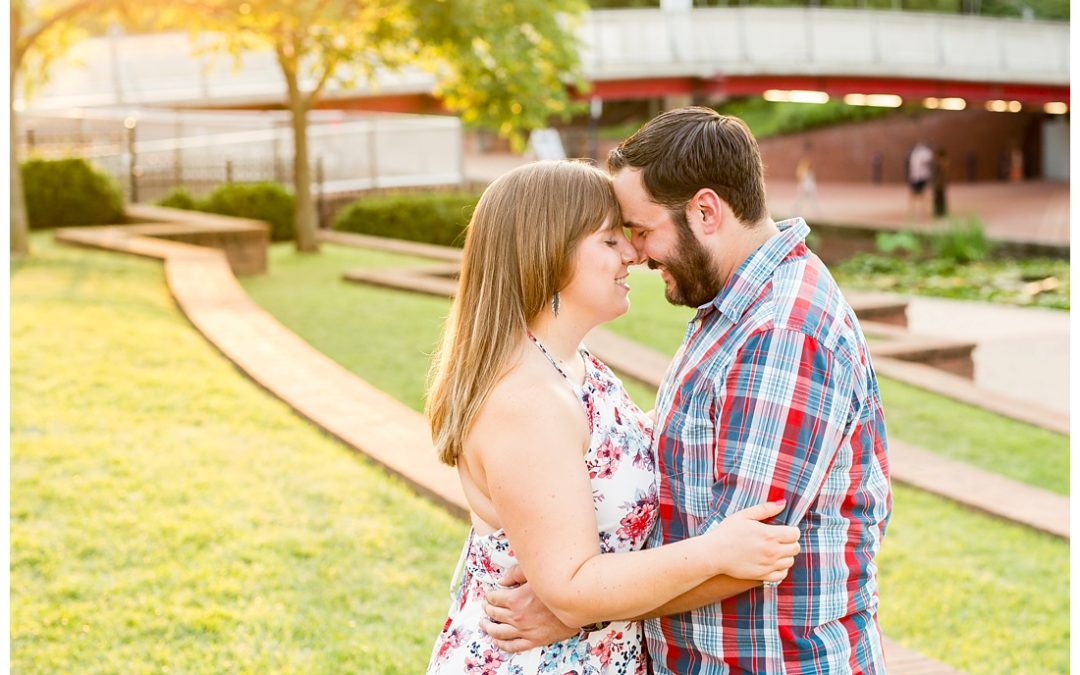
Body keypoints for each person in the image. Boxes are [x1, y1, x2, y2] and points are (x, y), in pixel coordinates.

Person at [483, 108, 893, 674]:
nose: (638, 254)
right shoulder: (730, 308)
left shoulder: (782, 331)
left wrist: (576, 606)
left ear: (705, 211)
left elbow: (743, 553)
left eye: (643, 230)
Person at [425, 160, 801, 674]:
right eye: (609, 241)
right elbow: (573, 588)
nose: (633, 254)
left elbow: (606, 454)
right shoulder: (528, 402)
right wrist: (715, 553)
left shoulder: (572, 366)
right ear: (549, 253)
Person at [907, 140, 934, 221]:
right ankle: (914, 210)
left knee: (923, 193)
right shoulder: (915, 153)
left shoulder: (925, 153)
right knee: (915, 194)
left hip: (922, 176)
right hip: (916, 176)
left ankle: (923, 210)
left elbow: (928, 161)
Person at [932, 147, 949, 218]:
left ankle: (939, 212)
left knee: (939, 198)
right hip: (940, 183)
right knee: (940, 198)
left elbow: (939, 174)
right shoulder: (943, 162)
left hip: (939, 183)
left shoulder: (941, 162)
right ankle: (940, 211)